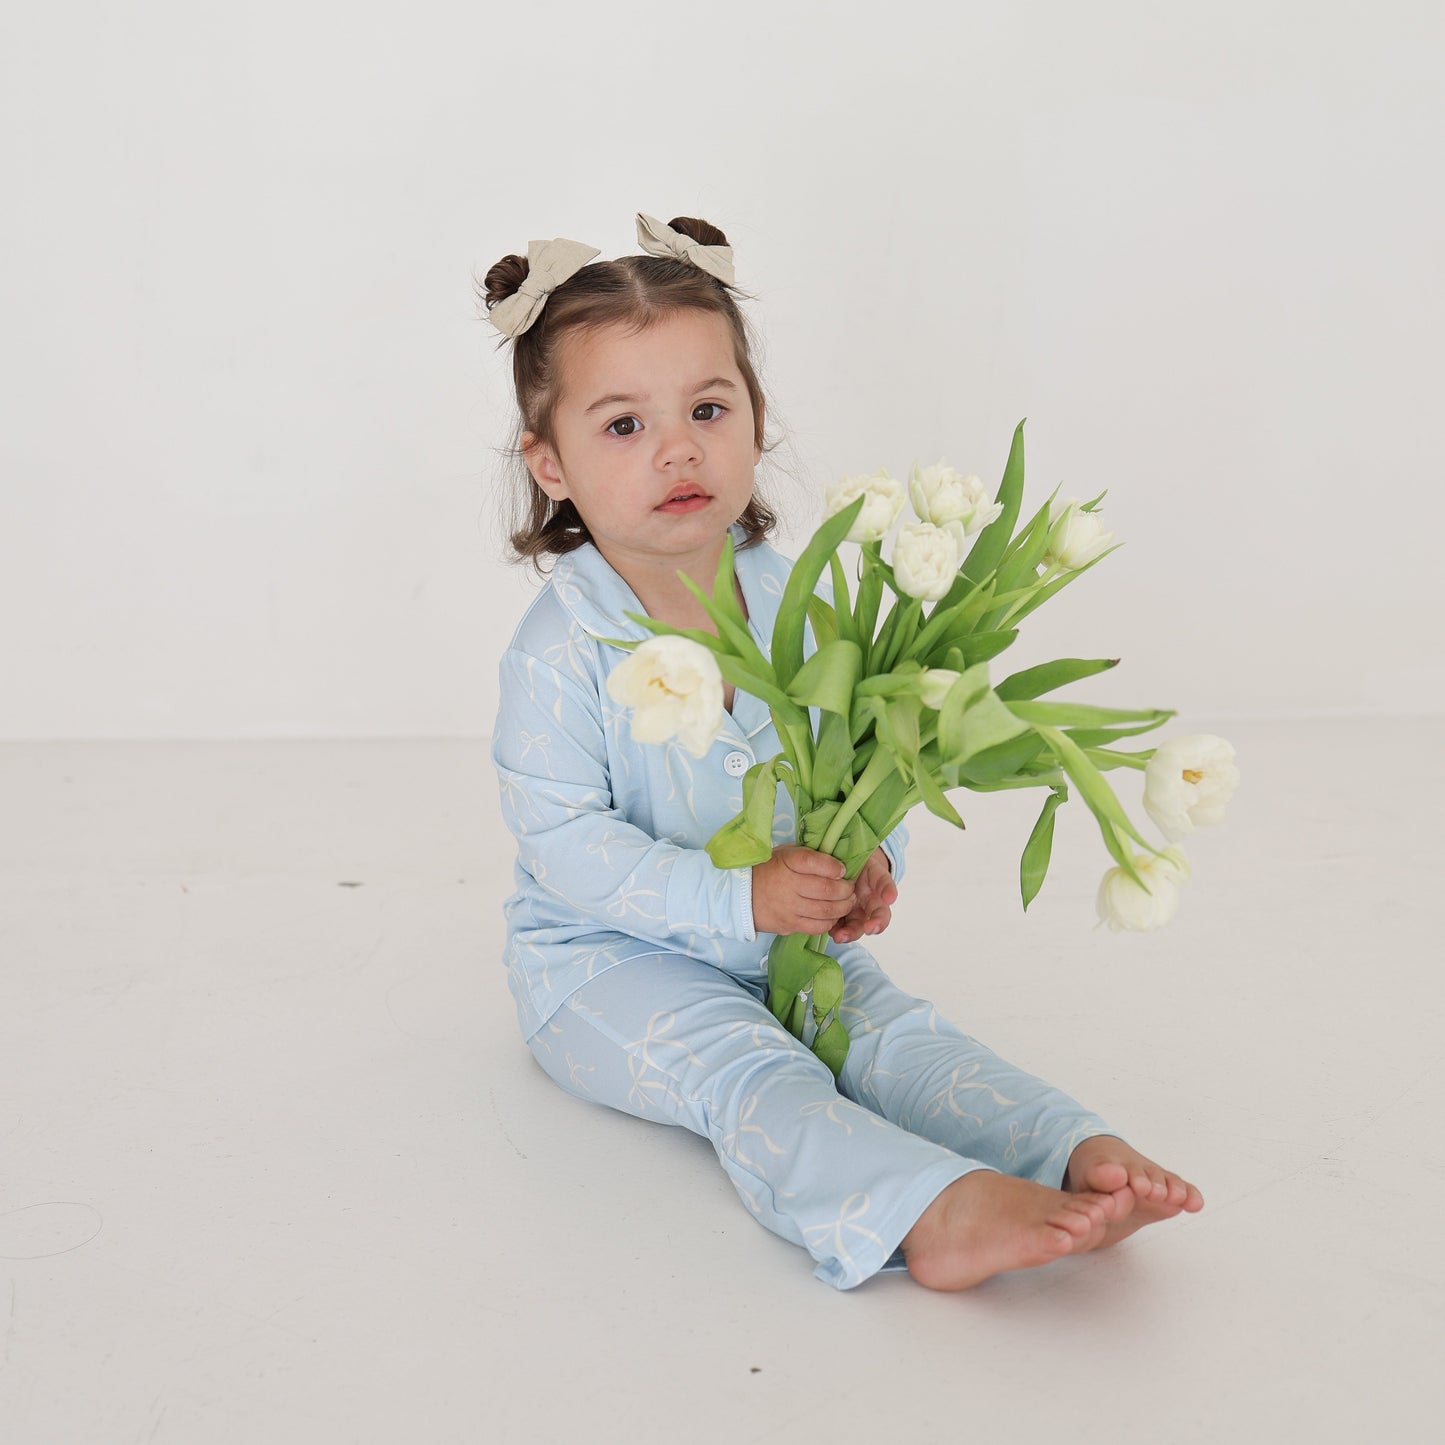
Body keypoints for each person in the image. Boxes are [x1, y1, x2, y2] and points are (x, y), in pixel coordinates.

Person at [482, 212, 1204, 1291]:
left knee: (890, 1030)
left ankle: (1059, 1145)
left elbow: (859, 753)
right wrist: (744, 902)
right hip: (604, 965)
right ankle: (925, 1211)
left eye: (707, 409)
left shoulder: (801, 601)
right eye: (623, 425)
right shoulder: (560, 652)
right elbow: (569, 849)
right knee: (751, 1067)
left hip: (785, 935)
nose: (677, 447)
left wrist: (866, 858)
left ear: (754, 420)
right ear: (550, 463)